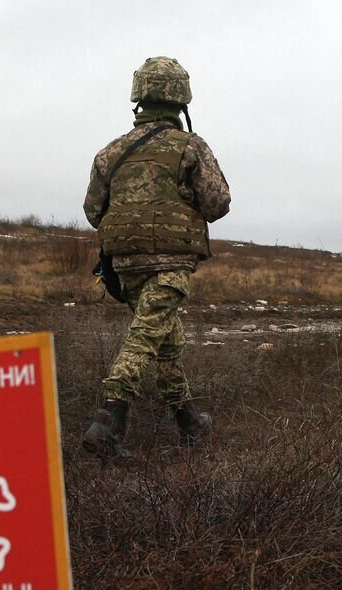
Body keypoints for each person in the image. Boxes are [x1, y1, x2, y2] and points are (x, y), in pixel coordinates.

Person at [81, 56, 231, 460]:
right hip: (170, 262)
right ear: (181, 99)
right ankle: (109, 420)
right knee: (147, 335)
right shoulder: (190, 146)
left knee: (165, 339)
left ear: (139, 97)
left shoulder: (110, 152)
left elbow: (93, 211)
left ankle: (188, 420)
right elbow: (217, 203)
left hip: (125, 264)